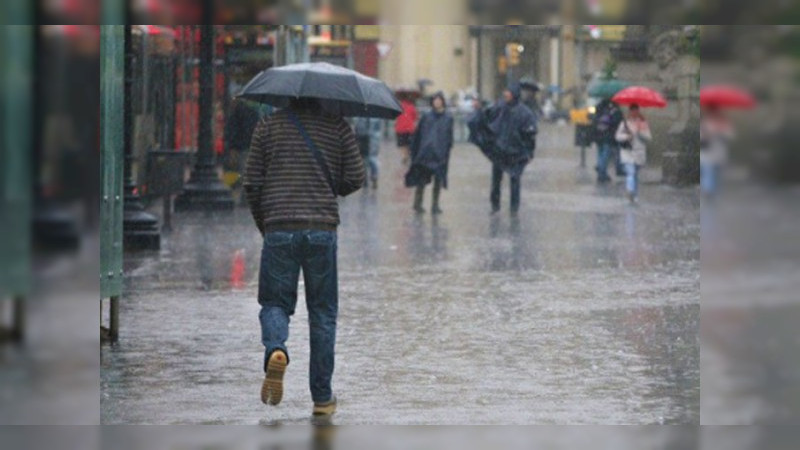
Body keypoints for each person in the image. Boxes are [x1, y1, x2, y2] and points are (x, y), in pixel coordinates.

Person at [243, 97, 366, 417]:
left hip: (279, 227)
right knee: (323, 313)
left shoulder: (267, 127)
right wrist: (327, 184)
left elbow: (252, 183)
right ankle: (322, 398)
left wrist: (265, 223)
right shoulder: (338, 127)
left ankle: (276, 349)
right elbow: (356, 178)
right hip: (322, 228)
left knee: (274, 302)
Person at [489, 84, 538, 215]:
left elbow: (530, 134)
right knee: (495, 180)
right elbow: (490, 123)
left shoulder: (525, 113)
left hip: (516, 152)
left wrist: (529, 152)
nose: (506, 95)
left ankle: (514, 208)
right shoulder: (500, 108)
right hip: (499, 151)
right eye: (505, 92)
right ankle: (495, 206)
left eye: (508, 92)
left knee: (515, 180)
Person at [405, 92, 453, 214]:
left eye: (439, 100)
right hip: (425, 153)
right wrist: (416, 150)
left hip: (440, 154)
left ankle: (435, 205)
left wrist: (446, 150)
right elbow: (418, 134)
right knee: (421, 180)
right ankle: (417, 204)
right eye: (435, 100)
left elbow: (449, 136)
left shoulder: (448, 118)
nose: (437, 102)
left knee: (438, 180)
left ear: (442, 101)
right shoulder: (427, 116)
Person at [615, 104, 652, 203]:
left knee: (635, 174)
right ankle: (630, 191)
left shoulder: (643, 123)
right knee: (630, 172)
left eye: (636, 111)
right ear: (630, 112)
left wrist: (640, 133)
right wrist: (627, 136)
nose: (634, 113)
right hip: (627, 152)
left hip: (639, 152)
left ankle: (634, 195)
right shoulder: (624, 123)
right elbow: (617, 136)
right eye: (632, 111)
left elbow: (649, 138)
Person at [700, 104, 734, 197]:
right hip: (708, 153)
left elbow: (730, 136)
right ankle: (708, 191)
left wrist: (720, 133)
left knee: (717, 173)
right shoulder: (705, 123)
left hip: (719, 153)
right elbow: (702, 138)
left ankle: (714, 191)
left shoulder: (724, 123)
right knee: (709, 172)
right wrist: (708, 134)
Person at [592, 98, 624, 183]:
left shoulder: (598, 108)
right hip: (608, 136)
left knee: (600, 153)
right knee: (605, 154)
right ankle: (601, 173)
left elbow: (592, 119)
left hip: (598, 135)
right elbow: (618, 123)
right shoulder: (615, 111)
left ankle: (601, 169)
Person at [353, 116, 382, 190]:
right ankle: (373, 177)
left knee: (366, 160)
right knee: (371, 160)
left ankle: (367, 179)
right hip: (369, 141)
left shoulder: (358, 117)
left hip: (365, 141)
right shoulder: (375, 117)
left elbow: (356, 130)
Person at [395, 96, 418, 164]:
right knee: (408, 143)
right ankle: (407, 155)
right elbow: (415, 117)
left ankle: (404, 156)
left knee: (402, 144)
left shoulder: (398, 106)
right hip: (410, 129)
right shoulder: (412, 107)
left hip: (400, 128)